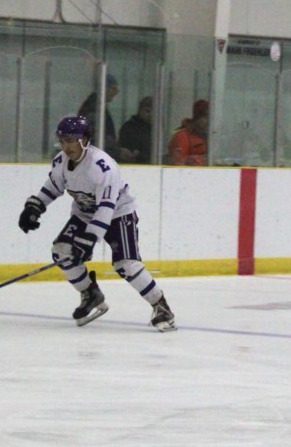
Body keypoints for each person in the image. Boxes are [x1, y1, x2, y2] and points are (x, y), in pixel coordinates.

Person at [18, 115, 176, 332]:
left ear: (85, 139)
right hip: (84, 213)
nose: (67, 146)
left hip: (118, 214)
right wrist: (35, 206)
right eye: (63, 141)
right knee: (62, 251)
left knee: (126, 264)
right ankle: (90, 294)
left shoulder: (103, 167)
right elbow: (53, 188)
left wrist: (89, 238)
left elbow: (106, 207)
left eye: (72, 140)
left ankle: (161, 306)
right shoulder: (60, 162)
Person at [77, 74, 121, 161]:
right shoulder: (93, 108)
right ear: (103, 88)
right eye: (113, 88)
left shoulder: (98, 106)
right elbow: (95, 137)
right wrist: (117, 151)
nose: (116, 92)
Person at [167, 99, 208, 166]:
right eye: (205, 118)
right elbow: (177, 162)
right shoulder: (181, 136)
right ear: (197, 118)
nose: (208, 122)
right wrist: (202, 160)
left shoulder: (210, 136)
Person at [118, 96, 153, 164]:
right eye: (147, 111)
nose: (150, 115)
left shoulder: (155, 129)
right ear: (139, 110)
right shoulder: (129, 127)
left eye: (153, 112)